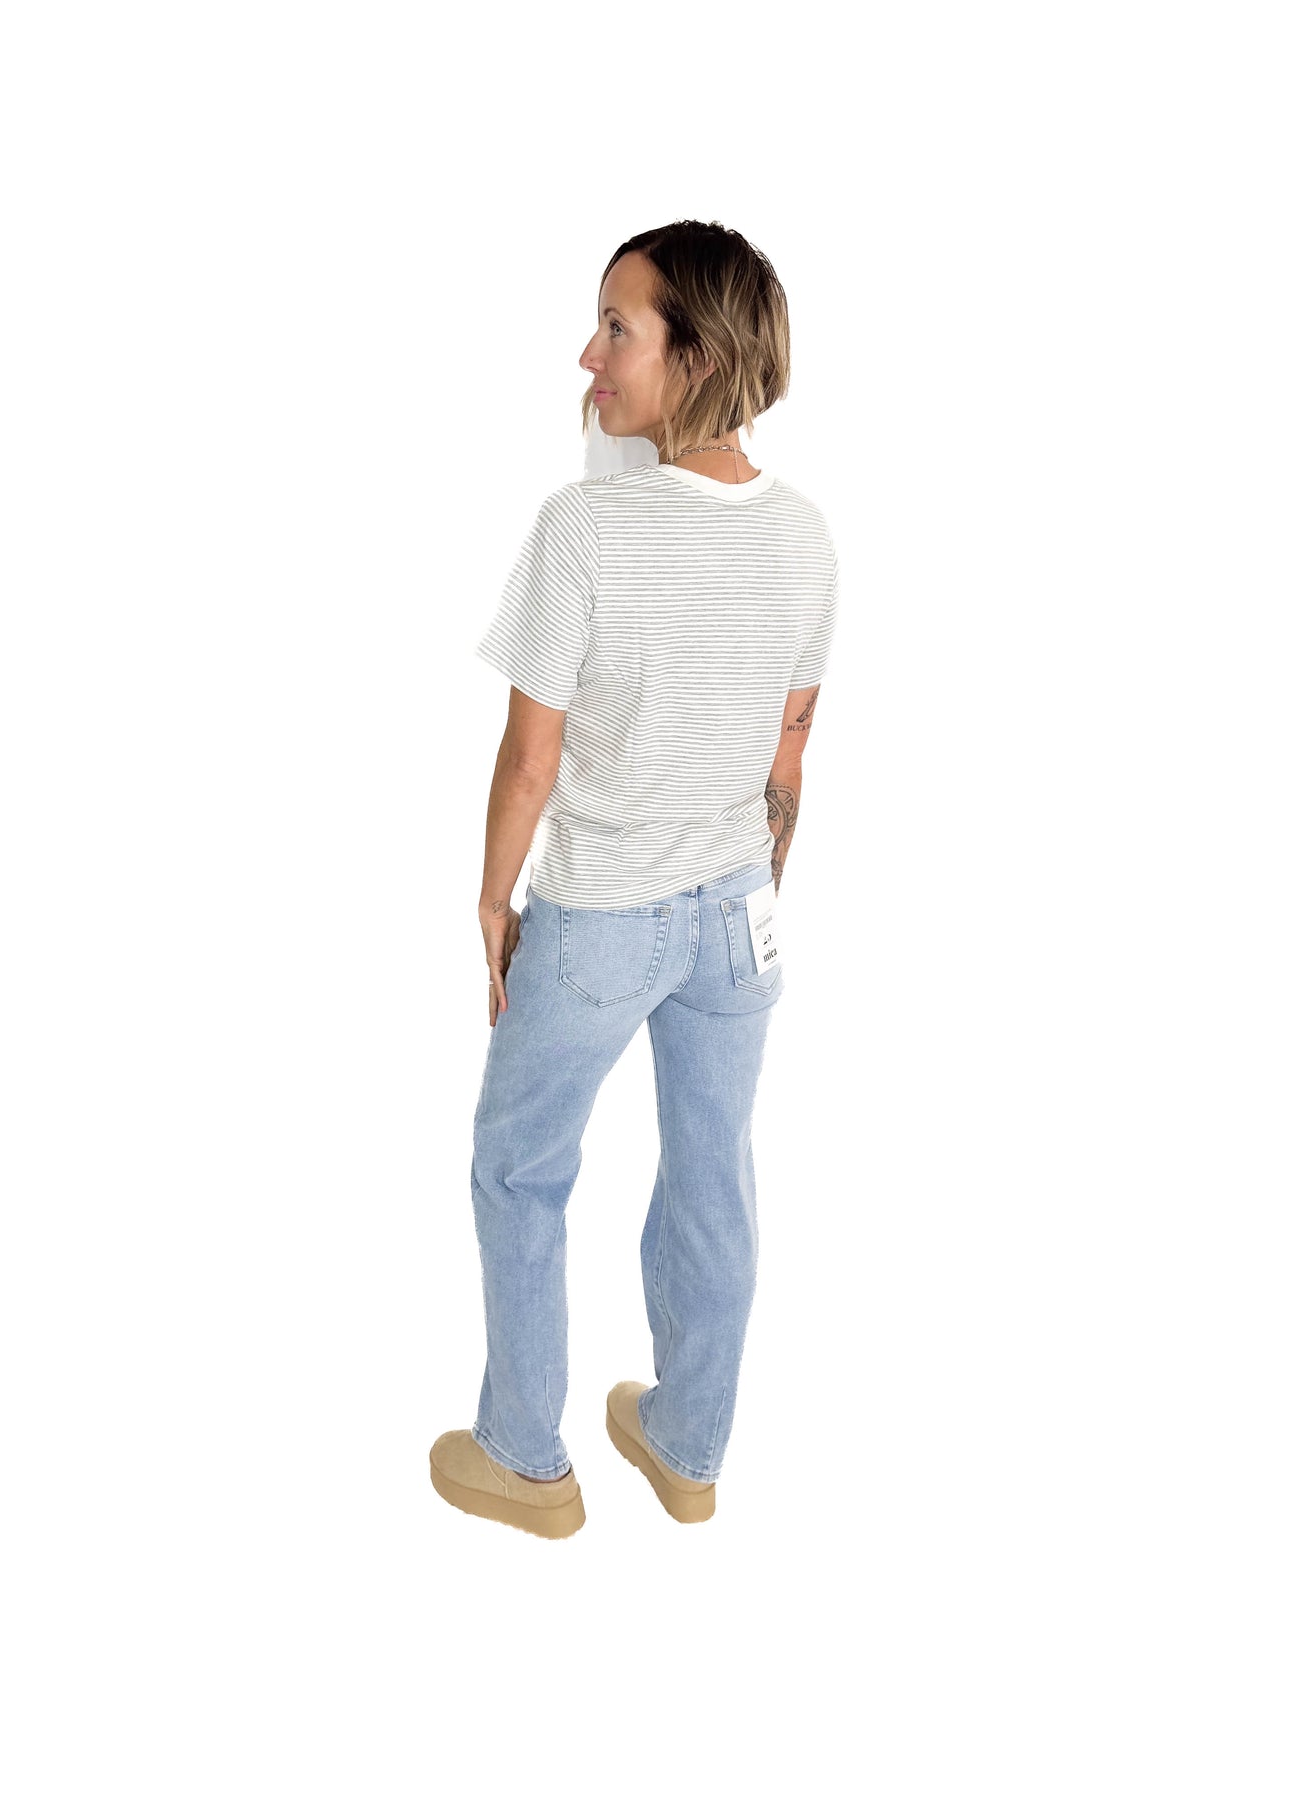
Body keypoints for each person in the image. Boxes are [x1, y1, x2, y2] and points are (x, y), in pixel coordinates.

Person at [428, 221, 840, 1538]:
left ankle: (524, 1461)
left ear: (696, 354)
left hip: (597, 918)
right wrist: (742, 895)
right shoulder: (804, 536)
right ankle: (686, 1447)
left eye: (618, 328)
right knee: (714, 1174)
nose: (588, 355)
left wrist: (492, 904)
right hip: (737, 916)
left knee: (519, 1168)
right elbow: (786, 762)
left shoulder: (584, 527)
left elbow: (529, 760)